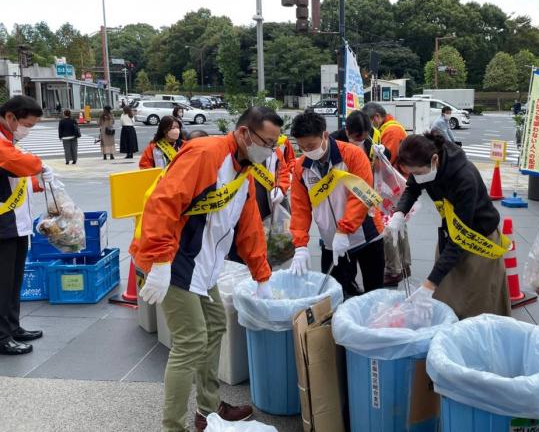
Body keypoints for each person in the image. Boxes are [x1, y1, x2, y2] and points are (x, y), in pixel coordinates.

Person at [133, 106, 281, 431]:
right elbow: (163, 201)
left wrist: (262, 275)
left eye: (275, 144)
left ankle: (208, 410)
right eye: (267, 143)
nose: (271, 151)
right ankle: (173, 426)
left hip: (203, 264)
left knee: (214, 325)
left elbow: (249, 225)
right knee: (190, 340)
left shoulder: (245, 169)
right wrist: (158, 261)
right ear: (244, 134)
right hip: (172, 260)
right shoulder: (206, 154)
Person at [386, 132, 511, 320]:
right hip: (452, 231)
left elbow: (459, 241)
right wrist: (399, 213)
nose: (416, 177)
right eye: (412, 173)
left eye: (418, 173)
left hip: (478, 238)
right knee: (446, 294)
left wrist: (430, 284)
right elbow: (412, 188)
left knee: (477, 301)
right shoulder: (426, 166)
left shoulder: (464, 178)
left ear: (435, 159)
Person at [288, 111, 385, 298]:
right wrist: (300, 245)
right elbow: (300, 208)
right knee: (335, 294)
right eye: (302, 147)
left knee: (375, 293)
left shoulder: (352, 155)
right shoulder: (302, 167)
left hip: (367, 234)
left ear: (325, 135)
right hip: (331, 240)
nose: (307, 151)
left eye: (311, 145)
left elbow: (361, 196)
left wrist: (345, 230)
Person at [0, 96, 53, 355]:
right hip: (2, 224)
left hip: (15, 221)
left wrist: (37, 182)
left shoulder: (9, 138)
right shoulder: (1, 141)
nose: (28, 130)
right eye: (27, 125)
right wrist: (40, 166)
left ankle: (12, 326)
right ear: (11, 117)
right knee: (3, 281)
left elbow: (16, 177)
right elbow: (17, 163)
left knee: (14, 279)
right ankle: (1, 337)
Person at [330, 111, 401, 288]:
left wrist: (384, 152)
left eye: (363, 137)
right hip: (342, 203)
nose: (360, 141)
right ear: (347, 131)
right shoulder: (333, 142)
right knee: (346, 257)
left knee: (372, 255)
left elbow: (388, 158)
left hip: (367, 203)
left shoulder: (370, 141)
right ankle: (350, 284)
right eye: (356, 138)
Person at [362, 102, 407, 166]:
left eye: (368, 121)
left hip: (393, 174)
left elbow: (385, 162)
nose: (368, 125)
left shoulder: (392, 131)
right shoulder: (386, 128)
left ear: (377, 116)